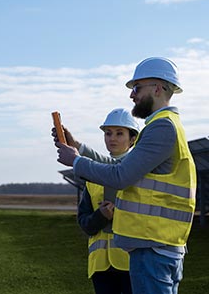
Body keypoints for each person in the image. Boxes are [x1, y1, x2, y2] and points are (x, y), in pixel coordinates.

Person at [54, 57, 196, 294]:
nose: (132, 95)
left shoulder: (162, 127)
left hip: (154, 246)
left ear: (158, 88)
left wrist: (76, 161)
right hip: (155, 245)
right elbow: (118, 164)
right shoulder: (164, 125)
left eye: (137, 88)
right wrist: (77, 145)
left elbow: (120, 174)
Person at [76, 108, 139, 294]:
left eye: (120, 133)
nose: (112, 138)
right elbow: (84, 223)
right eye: (108, 133)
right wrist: (100, 216)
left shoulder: (140, 172)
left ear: (133, 139)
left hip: (131, 262)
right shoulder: (92, 175)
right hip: (100, 265)